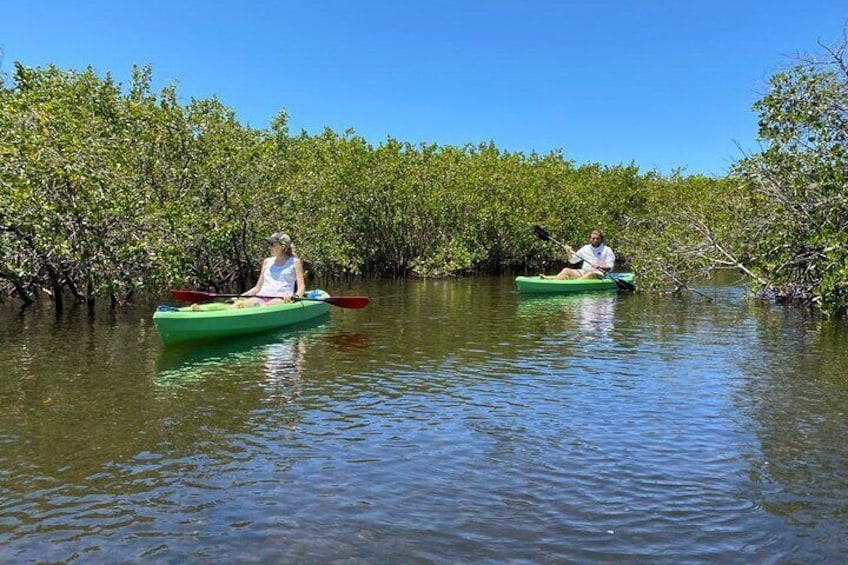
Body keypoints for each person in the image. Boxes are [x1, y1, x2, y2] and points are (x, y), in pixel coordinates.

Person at [235, 232, 306, 307]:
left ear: (283, 246)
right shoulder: (267, 261)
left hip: (281, 298)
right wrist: (241, 296)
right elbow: (257, 288)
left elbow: (301, 287)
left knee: (267, 305)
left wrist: (296, 296)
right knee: (240, 305)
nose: (269, 247)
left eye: (272, 245)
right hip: (261, 296)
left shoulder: (295, 262)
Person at [541, 229, 615, 280]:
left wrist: (599, 266)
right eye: (593, 238)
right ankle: (554, 281)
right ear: (589, 239)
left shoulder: (607, 250)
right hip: (583, 272)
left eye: (597, 238)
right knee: (566, 270)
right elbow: (572, 261)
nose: (595, 240)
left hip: (599, 274)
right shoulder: (585, 248)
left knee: (591, 273)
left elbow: (610, 267)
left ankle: (575, 284)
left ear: (601, 239)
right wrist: (568, 252)